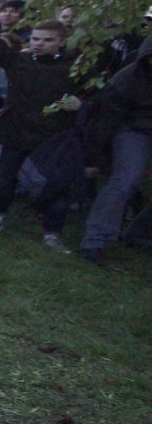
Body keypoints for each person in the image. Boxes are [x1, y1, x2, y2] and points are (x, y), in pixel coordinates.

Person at [0, 20, 81, 250]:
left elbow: (98, 93)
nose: (40, 44)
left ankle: (52, 232)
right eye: (36, 38)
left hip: (53, 134)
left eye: (48, 40)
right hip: (16, 129)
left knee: (56, 183)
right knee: (6, 177)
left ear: (62, 42)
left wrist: (81, 103)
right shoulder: (18, 60)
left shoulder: (75, 67)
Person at [80, 35, 152, 264]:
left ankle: (139, 233)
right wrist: (94, 157)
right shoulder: (128, 78)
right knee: (126, 180)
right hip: (134, 129)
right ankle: (95, 239)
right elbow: (105, 121)